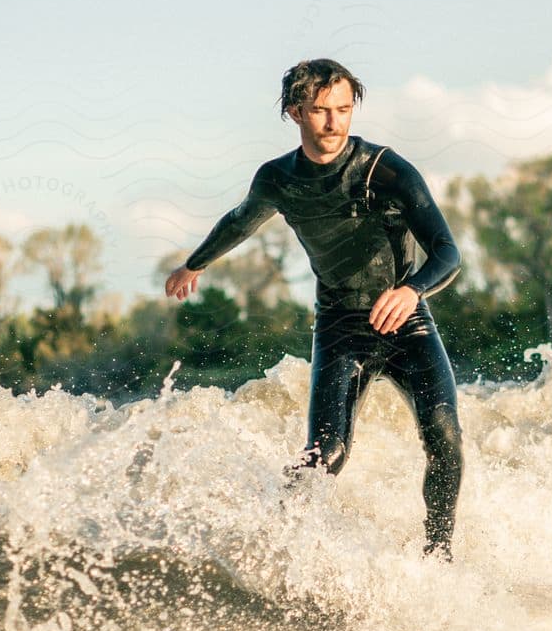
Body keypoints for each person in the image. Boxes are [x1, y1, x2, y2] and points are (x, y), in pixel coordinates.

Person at [165, 58, 464, 559]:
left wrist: (412, 290)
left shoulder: (386, 170)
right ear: (294, 112)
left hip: (406, 321)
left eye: (344, 110)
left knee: (446, 436)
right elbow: (240, 221)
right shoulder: (279, 179)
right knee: (326, 455)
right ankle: (279, 544)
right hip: (341, 328)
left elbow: (448, 251)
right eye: (321, 111)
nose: (334, 123)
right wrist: (193, 265)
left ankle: (439, 555)